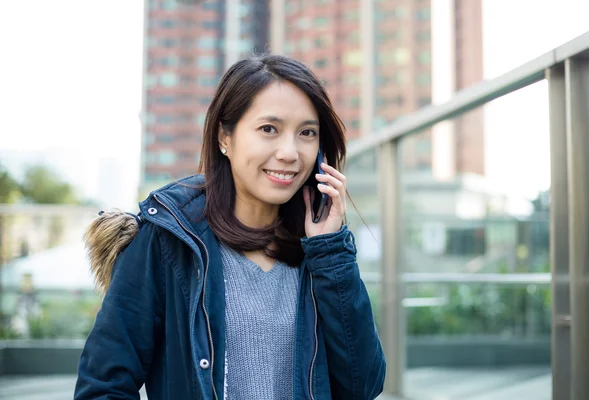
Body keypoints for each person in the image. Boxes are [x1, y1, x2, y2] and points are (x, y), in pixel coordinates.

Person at [75, 54, 386, 400]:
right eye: (269, 129)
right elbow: (102, 386)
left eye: (307, 133)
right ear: (226, 137)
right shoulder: (168, 241)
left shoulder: (320, 251)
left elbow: (363, 386)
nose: (289, 152)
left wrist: (331, 253)